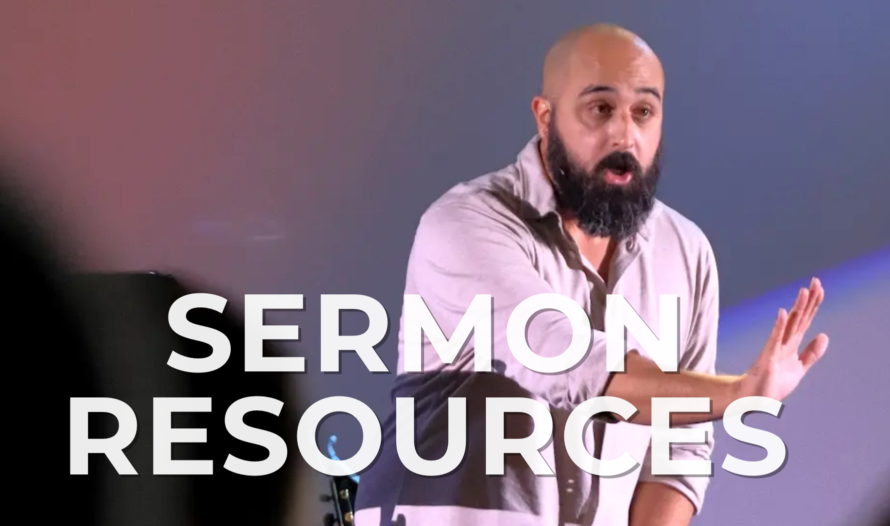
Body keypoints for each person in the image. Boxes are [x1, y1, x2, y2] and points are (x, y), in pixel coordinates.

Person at [354, 24, 829, 526]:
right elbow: (560, 356)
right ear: (545, 117)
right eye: (601, 109)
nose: (625, 135)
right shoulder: (466, 224)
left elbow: (679, 451)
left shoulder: (685, 251)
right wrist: (734, 395)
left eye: (643, 112)